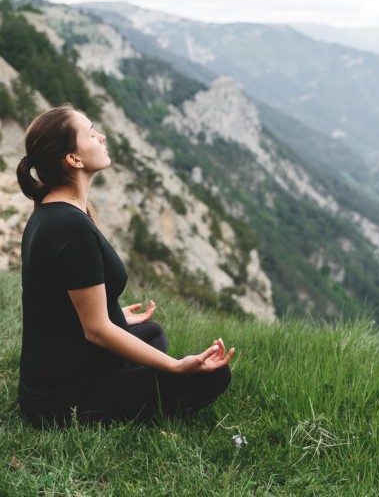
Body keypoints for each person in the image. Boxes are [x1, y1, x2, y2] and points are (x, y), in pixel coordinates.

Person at [15, 105, 234, 426]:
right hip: (61, 400)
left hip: (65, 371)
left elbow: (57, 303)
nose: (101, 136)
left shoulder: (51, 211)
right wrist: (173, 366)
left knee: (151, 332)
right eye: (90, 133)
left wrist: (118, 316)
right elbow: (96, 330)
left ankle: (135, 371)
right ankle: (140, 384)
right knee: (215, 377)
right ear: (74, 160)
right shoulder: (69, 226)